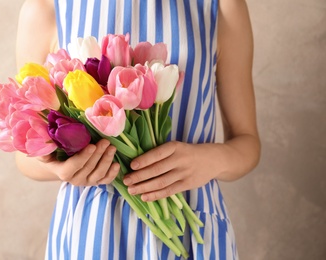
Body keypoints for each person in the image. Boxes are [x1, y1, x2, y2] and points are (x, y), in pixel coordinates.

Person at [15, 0, 260, 259]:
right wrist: (61, 168)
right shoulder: (47, 8)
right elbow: (24, 153)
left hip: (190, 219)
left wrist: (208, 160)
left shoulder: (221, 6)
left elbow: (248, 142)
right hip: (91, 233)